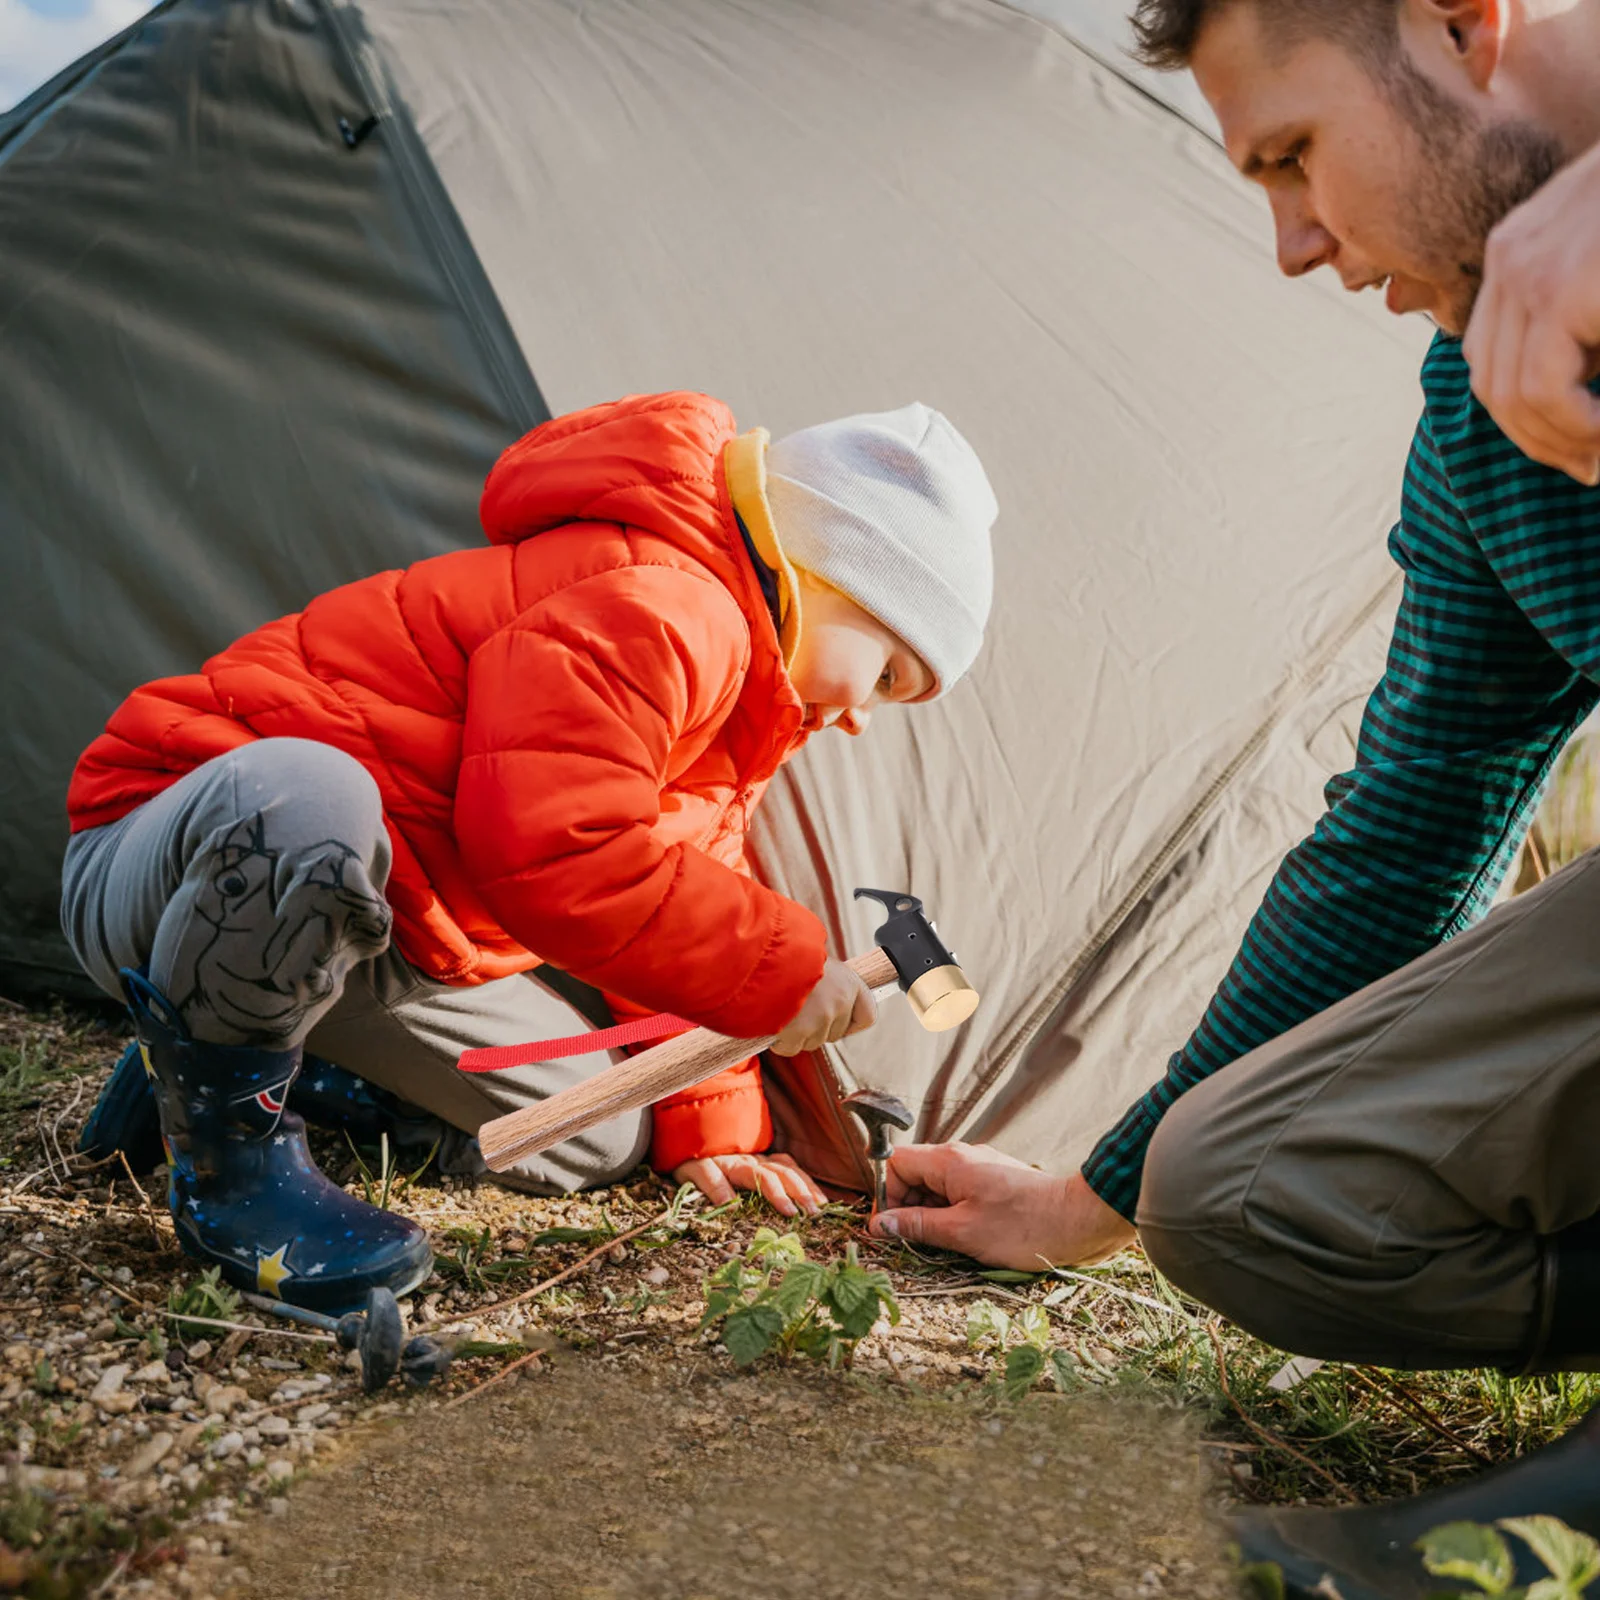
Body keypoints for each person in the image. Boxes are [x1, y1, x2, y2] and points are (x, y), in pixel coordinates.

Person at [64, 390, 998, 1313]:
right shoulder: (661, 605)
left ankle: (221, 1050)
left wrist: (713, 1122)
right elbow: (558, 849)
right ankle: (232, 1170)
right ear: (827, 571)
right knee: (316, 799)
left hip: (367, 941)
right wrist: (780, 968)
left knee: (592, 1134)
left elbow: (681, 888)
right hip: (172, 852)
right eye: (885, 673)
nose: (863, 719)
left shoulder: (733, 722)